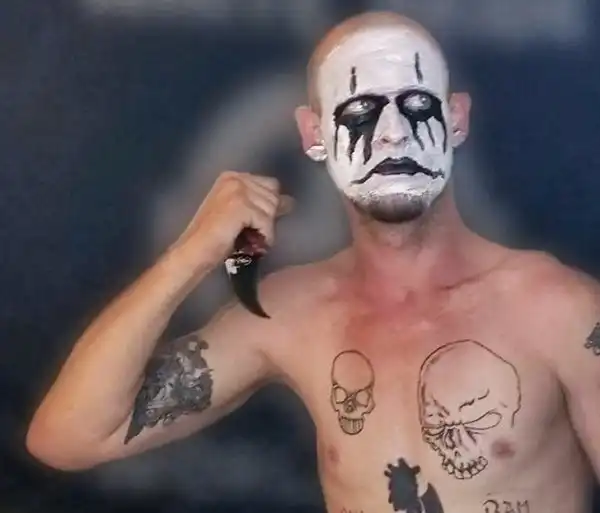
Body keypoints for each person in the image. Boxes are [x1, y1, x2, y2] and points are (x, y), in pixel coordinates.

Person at [26, 11, 600, 513]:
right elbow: (69, 436)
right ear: (313, 133)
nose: (392, 135)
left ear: (456, 119)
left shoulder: (554, 309)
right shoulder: (293, 313)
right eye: (361, 111)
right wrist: (189, 256)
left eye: (416, 105)